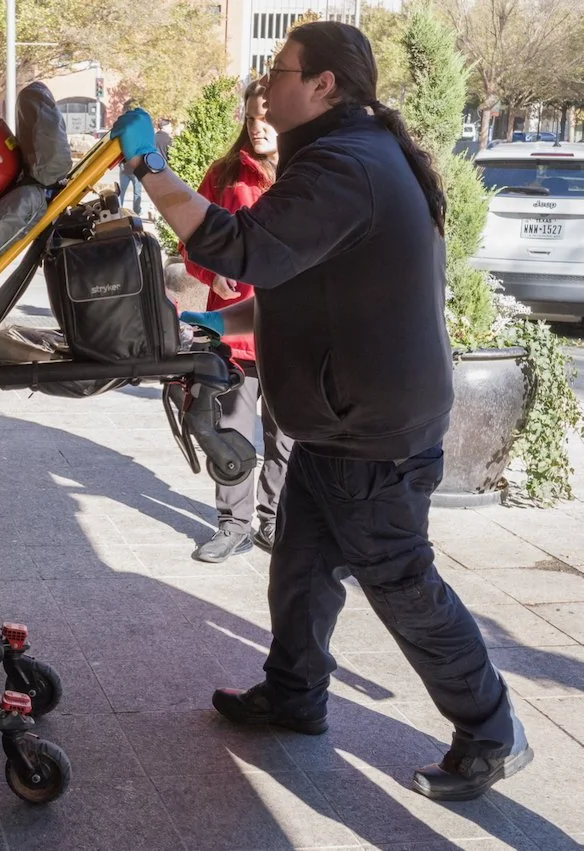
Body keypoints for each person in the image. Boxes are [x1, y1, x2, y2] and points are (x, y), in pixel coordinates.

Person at [110, 21, 531, 800]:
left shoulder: (345, 165)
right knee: (300, 568)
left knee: (402, 583)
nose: (268, 85)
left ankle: (492, 728)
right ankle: (295, 694)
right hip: (344, 418)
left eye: (282, 70)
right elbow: (309, 292)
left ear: (325, 85)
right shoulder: (351, 155)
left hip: (371, 427)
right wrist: (219, 326)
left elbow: (238, 248)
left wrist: (149, 166)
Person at [178, 80, 294, 563]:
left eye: (266, 118)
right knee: (231, 433)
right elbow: (191, 242)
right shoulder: (224, 175)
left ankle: (274, 520)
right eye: (250, 119)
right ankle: (232, 524)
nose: (258, 128)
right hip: (235, 338)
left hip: (290, 333)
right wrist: (212, 272)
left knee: (288, 439)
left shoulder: (304, 176)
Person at [117, 100, 171, 218]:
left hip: (128, 169)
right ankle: (136, 211)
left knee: (123, 191)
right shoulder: (163, 138)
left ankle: (119, 211)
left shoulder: (130, 135)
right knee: (137, 192)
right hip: (140, 169)